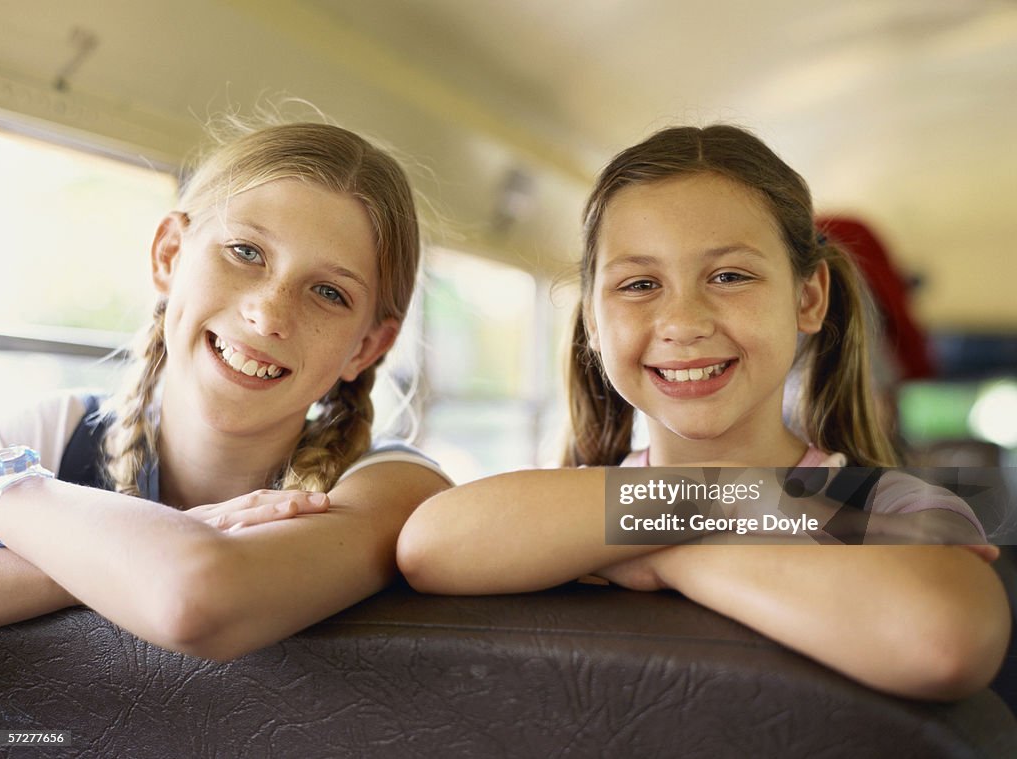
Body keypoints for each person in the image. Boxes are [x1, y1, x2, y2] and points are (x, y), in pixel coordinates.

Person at [397, 125, 1009, 701]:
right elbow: (427, 545)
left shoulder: (896, 505)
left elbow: (942, 642)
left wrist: (668, 552)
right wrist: (736, 502)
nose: (684, 323)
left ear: (808, 297)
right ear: (591, 320)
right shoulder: (567, 504)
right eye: (639, 284)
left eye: (730, 275)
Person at [0, 118, 451, 661]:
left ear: (367, 347)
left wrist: (7, 486)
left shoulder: (396, 489)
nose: (268, 315)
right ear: (169, 254)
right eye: (246, 252)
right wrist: (149, 548)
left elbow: (196, 597)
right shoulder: (50, 432)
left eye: (328, 292)